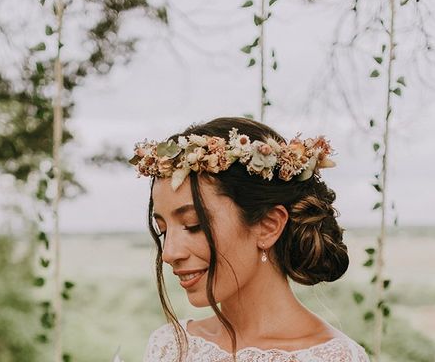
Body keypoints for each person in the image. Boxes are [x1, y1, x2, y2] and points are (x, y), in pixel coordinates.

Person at [130, 117, 370, 362]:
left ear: (268, 225)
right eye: (163, 231)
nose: (169, 253)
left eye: (194, 225)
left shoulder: (333, 358)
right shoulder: (170, 347)